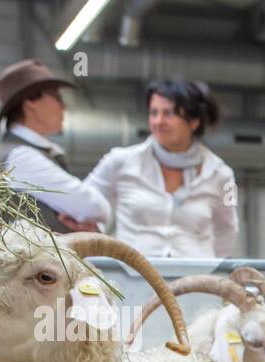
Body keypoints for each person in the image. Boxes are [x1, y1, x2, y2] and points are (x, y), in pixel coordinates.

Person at [85, 79, 238, 258]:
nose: (158, 121)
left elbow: (228, 230)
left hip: (194, 279)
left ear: (194, 121)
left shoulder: (223, 175)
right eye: (154, 112)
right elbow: (86, 202)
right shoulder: (119, 161)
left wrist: (211, 270)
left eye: (169, 113)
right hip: (132, 277)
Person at [0, 59, 110, 233]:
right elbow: (93, 207)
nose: (63, 106)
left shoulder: (25, 152)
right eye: (57, 97)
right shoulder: (21, 157)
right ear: (31, 102)